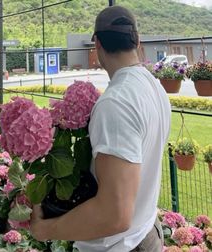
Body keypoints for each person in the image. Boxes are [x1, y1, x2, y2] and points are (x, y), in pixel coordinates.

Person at [30, 5, 171, 252]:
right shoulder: (154, 87)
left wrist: (45, 230)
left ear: (97, 45)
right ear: (137, 41)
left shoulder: (116, 102)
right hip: (146, 232)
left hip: (121, 245)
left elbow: (114, 215)